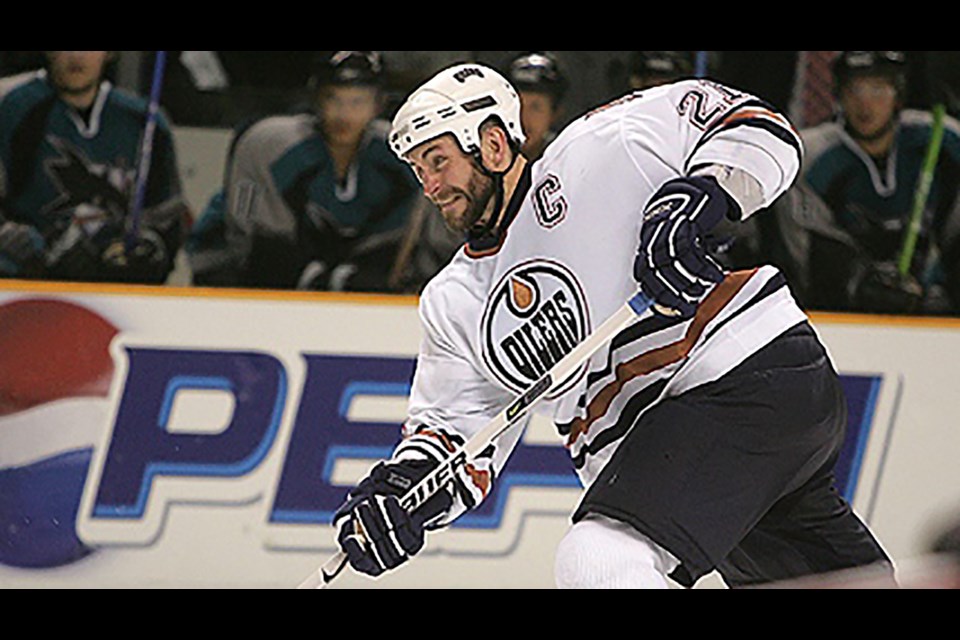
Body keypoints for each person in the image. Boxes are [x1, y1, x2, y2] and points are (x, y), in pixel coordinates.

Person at [331, 63, 892, 589]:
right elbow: (455, 437)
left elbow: (757, 124)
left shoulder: (600, 149)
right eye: (418, 169)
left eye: (437, 159)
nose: (429, 185)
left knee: (601, 557)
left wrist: (704, 199)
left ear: (494, 143)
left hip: (737, 374)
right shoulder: (454, 303)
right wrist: (402, 496)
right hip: (686, 445)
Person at [187, 51, 422, 292]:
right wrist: (331, 280)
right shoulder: (271, 145)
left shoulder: (399, 155)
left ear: (378, 104)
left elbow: (399, 246)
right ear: (317, 98)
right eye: (334, 99)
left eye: (358, 101)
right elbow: (253, 245)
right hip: (241, 281)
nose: (344, 114)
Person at [780, 50, 960, 315]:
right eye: (855, 91)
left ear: (898, 95)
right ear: (839, 95)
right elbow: (810, 256)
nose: (865, 105)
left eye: (878, 90)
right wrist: (858, 283)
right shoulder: (810, 157)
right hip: (848, 314)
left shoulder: (943, 140)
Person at [0, 50, 187, 284]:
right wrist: (33, 250)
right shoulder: (11, 108)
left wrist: (149, 248)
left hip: (116, 294)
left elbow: (168, 217)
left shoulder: (145, 122)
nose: (77, 56)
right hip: (26, 290)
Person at [506, 52, 568, 161]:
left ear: (554, 114)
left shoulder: (565, 160)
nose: (523, 117)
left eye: (535, 107)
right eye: (516, 105)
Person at [628, 51, 694, 91]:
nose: (658, 83)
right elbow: (635, 75)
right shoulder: (641, 55)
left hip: (672, 91)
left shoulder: (682, 56)